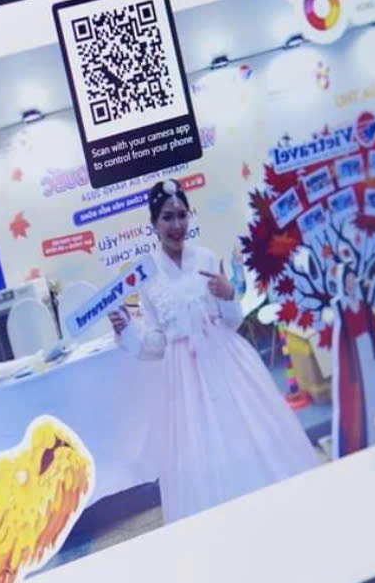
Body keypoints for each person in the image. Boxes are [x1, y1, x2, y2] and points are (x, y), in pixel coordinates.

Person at [108, 179, 317, 522]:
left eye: (181, 215)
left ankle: (274, 512)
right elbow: (157, 343)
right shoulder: (147, 275)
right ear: (154, 224)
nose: (176, 225)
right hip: (184, 379)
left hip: (226, 360)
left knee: (247, 432)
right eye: (167, 217)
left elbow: (232, 321)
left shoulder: (205, 258)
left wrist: (228, 295)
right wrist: (128, 331)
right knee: (203, 449)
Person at [331, 263, 375, 458]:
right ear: (343, 284)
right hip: (357, 361)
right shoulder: (341, 308)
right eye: (347, 282)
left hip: (372, 355)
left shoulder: (364, 305)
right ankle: (372, 436)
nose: (350, 285)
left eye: (352, 281)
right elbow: (342, 342)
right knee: (364, 400)